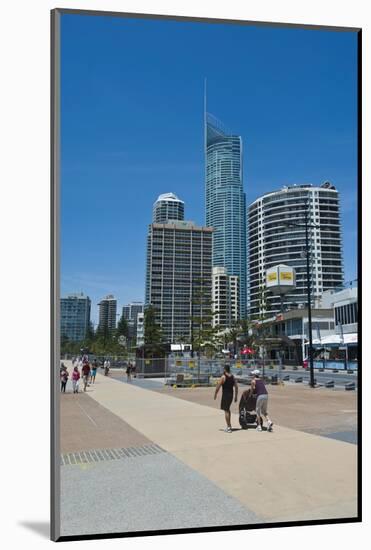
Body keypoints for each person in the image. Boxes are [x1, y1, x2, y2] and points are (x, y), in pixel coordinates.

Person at [214, 365, 238, 433]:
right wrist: (236, 396)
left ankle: (229, 427)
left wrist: (215, 394)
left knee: (226, 410)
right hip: (231, 395)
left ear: (225, 369)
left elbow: (218, 386)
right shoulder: (233, 377)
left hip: (225, 395)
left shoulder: (223, 377)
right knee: (228, 409)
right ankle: (229, 425)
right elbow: (236, 387)